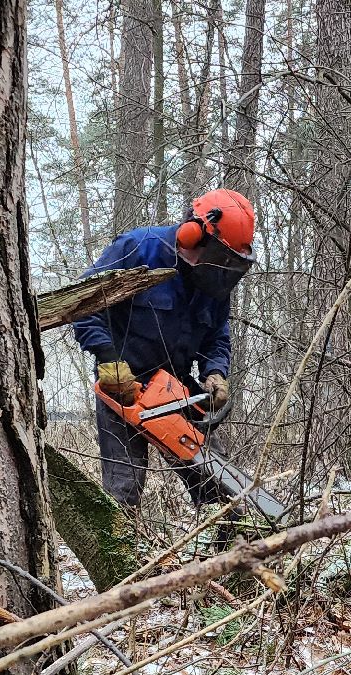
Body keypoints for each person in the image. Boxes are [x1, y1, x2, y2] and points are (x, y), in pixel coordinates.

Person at [73, 189, 255, 508]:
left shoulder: (213, 280)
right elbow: (85, 303)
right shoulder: (138, 248)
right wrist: (107, 358)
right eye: (218, 255)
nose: (219, 265)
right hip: (124, 387)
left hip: (175, 387)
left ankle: (232, 537)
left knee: (219, 487)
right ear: (192, 233)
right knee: (123, 490)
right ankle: (124, 541)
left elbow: (217, 335)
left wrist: (215, 371)